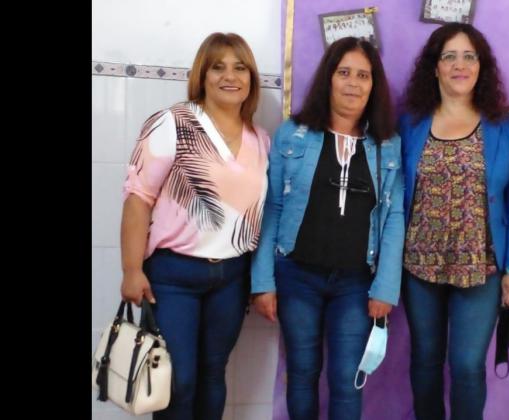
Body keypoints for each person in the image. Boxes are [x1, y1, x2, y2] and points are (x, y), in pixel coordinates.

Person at [250, 37, 404, 420]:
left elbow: (394, 218)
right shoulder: (294, 133)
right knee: (301, 375)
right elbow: (272, 207)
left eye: (363, 75)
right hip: (296, 275)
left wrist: (386, 286)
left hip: (356, 283)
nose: (353, 83)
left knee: (347, 378)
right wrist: (262, 281)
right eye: (344, 72)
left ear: (374, 84)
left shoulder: (387, 144)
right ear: (328, 79)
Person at [120, 32, 270, 420]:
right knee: (177, 380)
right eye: (217, 67)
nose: (229, 76)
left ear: (251, 78)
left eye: (239, 67)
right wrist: (131, 270)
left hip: (232, 278)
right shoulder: (172, 122)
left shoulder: (261, 140)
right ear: (202, 75)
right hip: (173, 276)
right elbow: (138, 199)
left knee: (211, 375)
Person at [397, 22, 509, 420]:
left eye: (469, 56)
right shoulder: (410, 123)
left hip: (481, 267)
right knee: (424, 361)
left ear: (481, 67)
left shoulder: (505, 126)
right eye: (449, 56)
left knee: (468, 366)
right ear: (434, 67)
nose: (460, 64)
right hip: (419, 265)